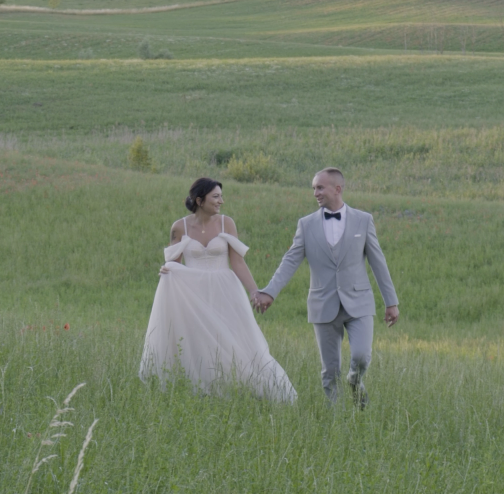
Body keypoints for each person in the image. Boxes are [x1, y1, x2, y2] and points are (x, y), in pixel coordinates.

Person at [139, 178, 296, 402]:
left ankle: (245, 389)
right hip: (193, 294)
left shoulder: (226, 223)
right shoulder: (179, 227)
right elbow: (174, 262)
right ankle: (204, 392)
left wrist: (254, 291)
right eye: (216, 196)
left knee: (234, 339)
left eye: (221, 196)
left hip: (224, 291)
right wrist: (167, 270)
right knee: (199, 341)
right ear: (199, 200)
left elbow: (237, 262)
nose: (221, 201)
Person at [255, 168, 399, 408]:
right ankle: (337, 419)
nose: (315, 193)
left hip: (359, 302)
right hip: (322, 303)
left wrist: (391, 302)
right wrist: (270, 291)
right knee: (330, 370)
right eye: (314, 188)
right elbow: (290, 260)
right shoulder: (306, 224)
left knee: (361, 356)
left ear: (337, 189)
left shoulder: (363, 220)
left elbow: (378, 262)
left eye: (320, 187)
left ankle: (355, 381)